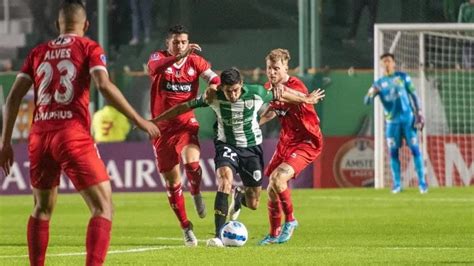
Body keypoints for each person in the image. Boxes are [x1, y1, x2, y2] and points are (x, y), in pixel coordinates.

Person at [0, 1, 160, 265]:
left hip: (39, 136)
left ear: (57, 25)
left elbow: (13, 98)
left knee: (42, 208)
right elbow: (104, 86)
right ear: (86, 25)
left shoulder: (38, 52)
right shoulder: (88, 47)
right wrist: (139, 119)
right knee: (103, 207)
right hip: (71, 133)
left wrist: (5, 143)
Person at [151, 67, 323, 247]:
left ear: (241, 84)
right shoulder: (213, 96)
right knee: (225, 180)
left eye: (235, 90)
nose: (232, 95)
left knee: (254, 202)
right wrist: (156, 121)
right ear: (222, 88)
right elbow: (183, 107)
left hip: (251, 149)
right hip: (226, 145)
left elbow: (281, 94)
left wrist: (305, 98)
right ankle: (218, 236)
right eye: (228, 91)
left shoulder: (256, 93)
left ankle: (239, 198)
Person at [146, 24, 220, 246]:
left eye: (184, 42)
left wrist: (214, 87)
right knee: (172, 183)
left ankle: (196, 191)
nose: (180, 46)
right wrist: (180, 55)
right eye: (176, 42)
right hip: (161, 129)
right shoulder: (158, 57)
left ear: (188, 43)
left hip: (186, 124)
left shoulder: (195, 61)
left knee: (192, 162)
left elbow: (214, 79)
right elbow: (154, 68)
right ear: (168, 43)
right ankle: (186, 227)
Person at [257, 49, 325, 245]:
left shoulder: (295, 85)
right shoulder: (270, 86)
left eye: (276, 68)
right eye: (269, 68)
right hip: (286, 142)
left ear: (286, 67)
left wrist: (304, 98)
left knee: (279, 179)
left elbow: (290, 94)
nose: (272, 72)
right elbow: (271, 111)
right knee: (271, 188)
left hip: (307, 141)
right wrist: (252, 125)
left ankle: (291, 220)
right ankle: (273, 234)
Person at [364, 53, 428, 194]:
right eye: (384, 61)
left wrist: (420, 113)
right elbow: (366, 101)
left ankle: (422, 183)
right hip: (392, 123)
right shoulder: (379, 84)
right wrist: (371, 93)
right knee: (393, 153)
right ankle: (397, 184)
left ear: (393, 63)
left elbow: (414, 95)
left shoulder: (403, 77)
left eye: (389, 61)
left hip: (408, 120)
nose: (386, 63)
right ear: (381, 65)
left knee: (415, 150)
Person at [458, 0, 474, 69]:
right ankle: (467, 67)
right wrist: (460, 30)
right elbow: (460, 21)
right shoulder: (464, 7)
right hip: (467, 35)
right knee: (467, 50)